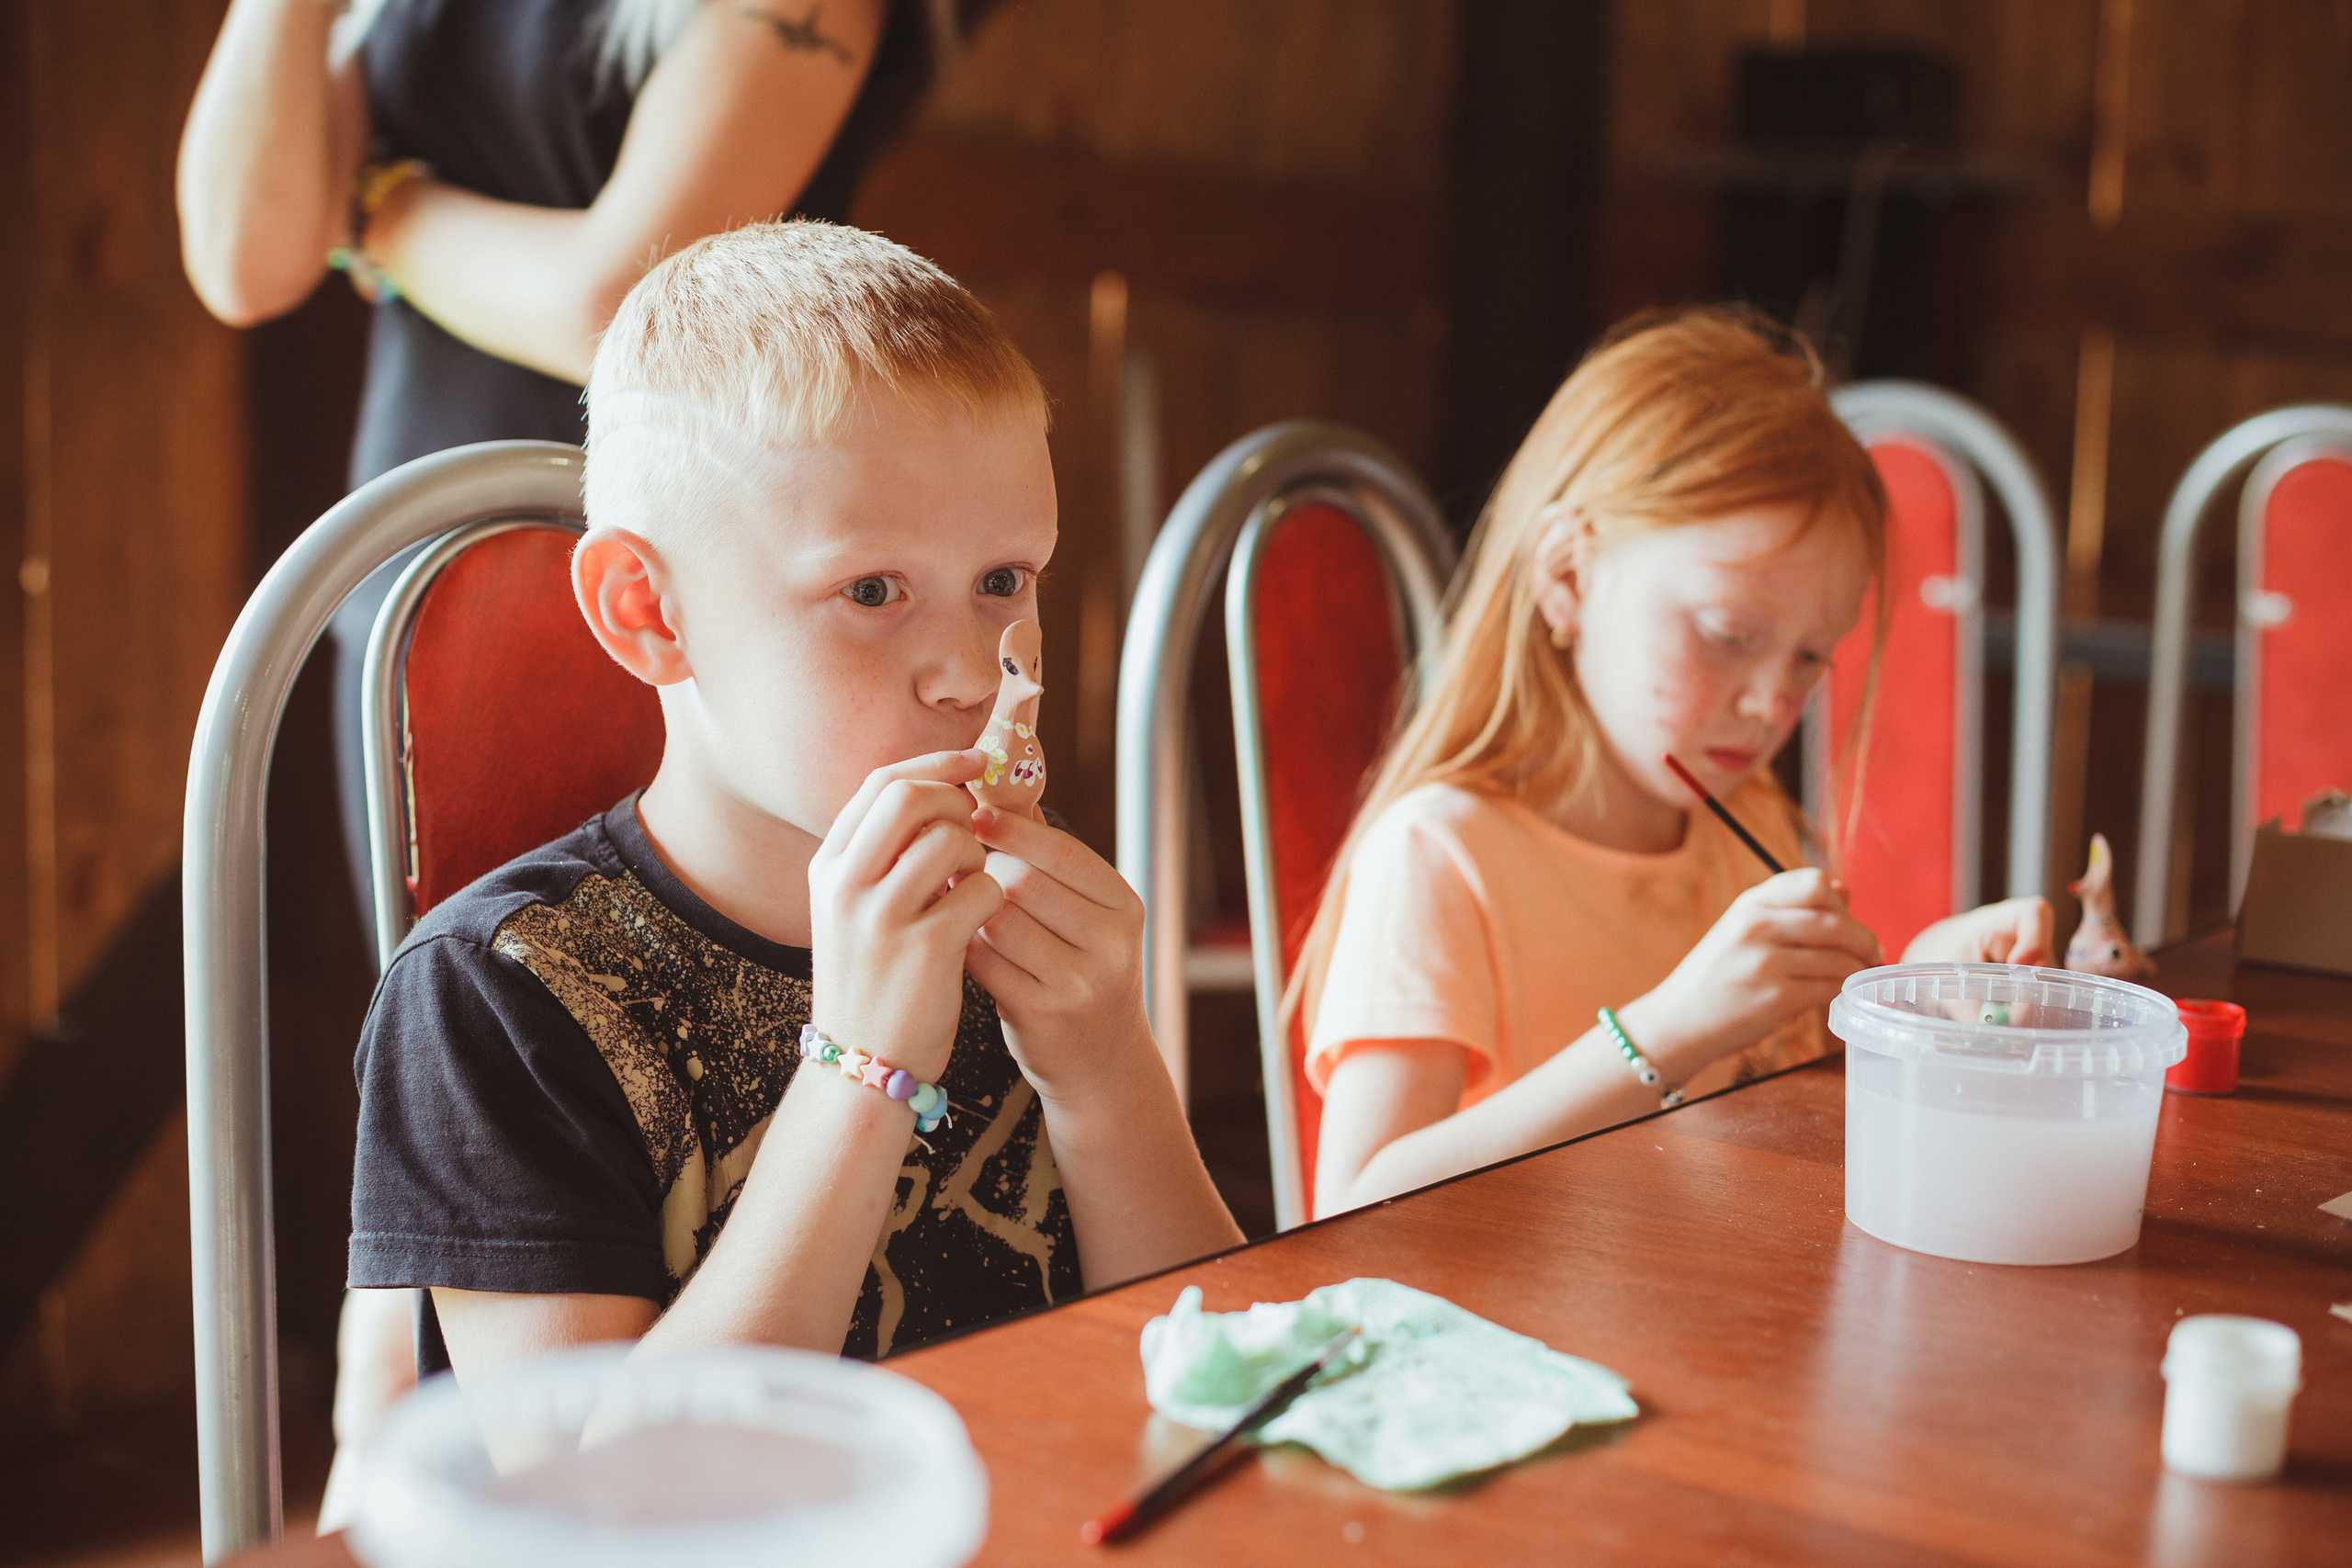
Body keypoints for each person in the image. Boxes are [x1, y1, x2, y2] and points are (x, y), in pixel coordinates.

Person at [347, 220, 1242, 1383]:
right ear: (648, 614)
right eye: (872, 590)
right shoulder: (496, 999)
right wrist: (860, 1070)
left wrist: (1108, 1071)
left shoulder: (1013, 905)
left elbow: (1228, 1363)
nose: (974, 672)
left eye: (1002, 582)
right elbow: (605, 1505)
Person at [177, 0, 960, 953]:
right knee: (459, 1026)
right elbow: (245, 262)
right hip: (408, 589)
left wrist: (376, 207)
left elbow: (623, 305)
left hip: (669, 596)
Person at [1302, 307, 2054, 1220]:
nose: (1771, 702)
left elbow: (1787, 1105)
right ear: (1569, 577)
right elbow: (1347, 1214)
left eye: (1811, 656)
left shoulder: (1749, 821)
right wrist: (1663, 1034)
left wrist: (1918, 997)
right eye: (1727, 634)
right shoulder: (1440, 857)